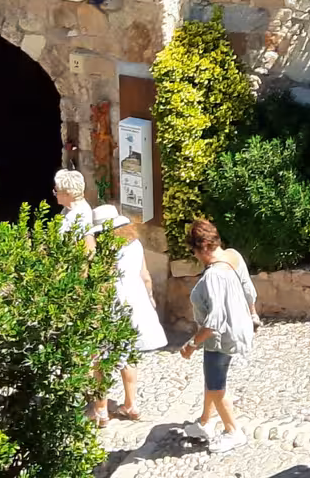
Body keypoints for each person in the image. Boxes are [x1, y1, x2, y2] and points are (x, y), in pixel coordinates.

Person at [180, 217, 257, 453]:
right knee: (212, 376)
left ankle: (232, 431)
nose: (194, 256)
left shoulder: (213, 275)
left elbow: (214, 321)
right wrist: (253, 315)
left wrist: (191, 344)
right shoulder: (233, 256)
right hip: (238, 327)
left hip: (220, 337)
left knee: (215, 384)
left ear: (202, 247)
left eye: (194, 251)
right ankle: (205, 421)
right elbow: (248, 290)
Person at [91, 205, 169, 423]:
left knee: (100, 359)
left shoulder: (100, 249)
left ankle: (101, 410)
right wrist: (150, 298)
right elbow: (145, 276)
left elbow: (100, 282)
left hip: (110, 306)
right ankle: (131, 404)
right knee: (128, 355)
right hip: (133, 304)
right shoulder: (135, 245)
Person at [53, 168, 95, 255]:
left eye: (56, 191)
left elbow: (88, 251)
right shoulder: (67, 209)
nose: (54, 193)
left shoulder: (81, 215)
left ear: (67, 194)